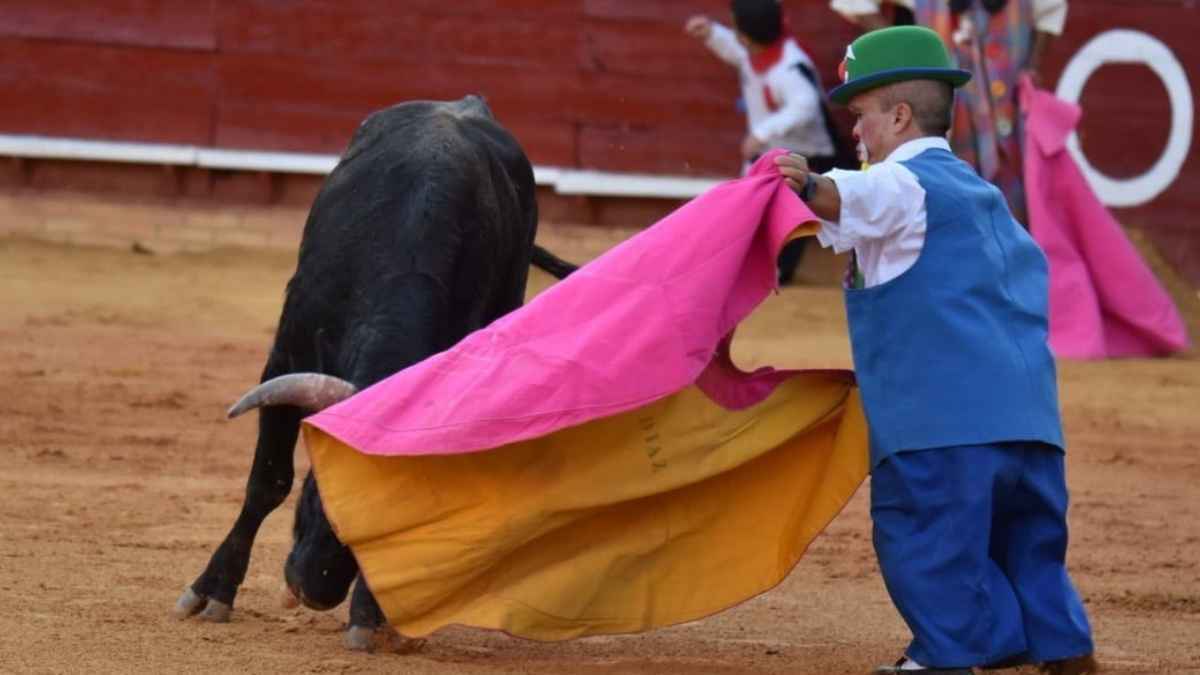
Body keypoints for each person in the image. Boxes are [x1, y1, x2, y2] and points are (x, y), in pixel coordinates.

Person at [775, 26, 1096, 675]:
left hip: (940, 428)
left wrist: (804, 184)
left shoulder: (902, 185)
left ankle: (945, 659)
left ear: (898, 115)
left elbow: (853, 197)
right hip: (1032, 426)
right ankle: (1062, 651)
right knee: (1025, 545)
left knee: (925, 539)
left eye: (861, 115)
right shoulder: (987, 200)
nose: (856, 132)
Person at [829, 0, 1069, 223]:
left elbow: (1050, 9)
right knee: (943, 188)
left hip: (1007, 99)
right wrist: (902, 48)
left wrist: (1031, 68)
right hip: (944, 96)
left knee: (1017, 190)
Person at [685, 0, 852, 284]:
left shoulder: (790, 66)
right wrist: (712, 34)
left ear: (745, 37)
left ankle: (773, 270)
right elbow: (740, 54)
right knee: (749, 206)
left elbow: (806, 105)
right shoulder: (761, 52)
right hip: (775, 151)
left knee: (792, 209)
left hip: (811, 154)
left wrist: (762, 133)